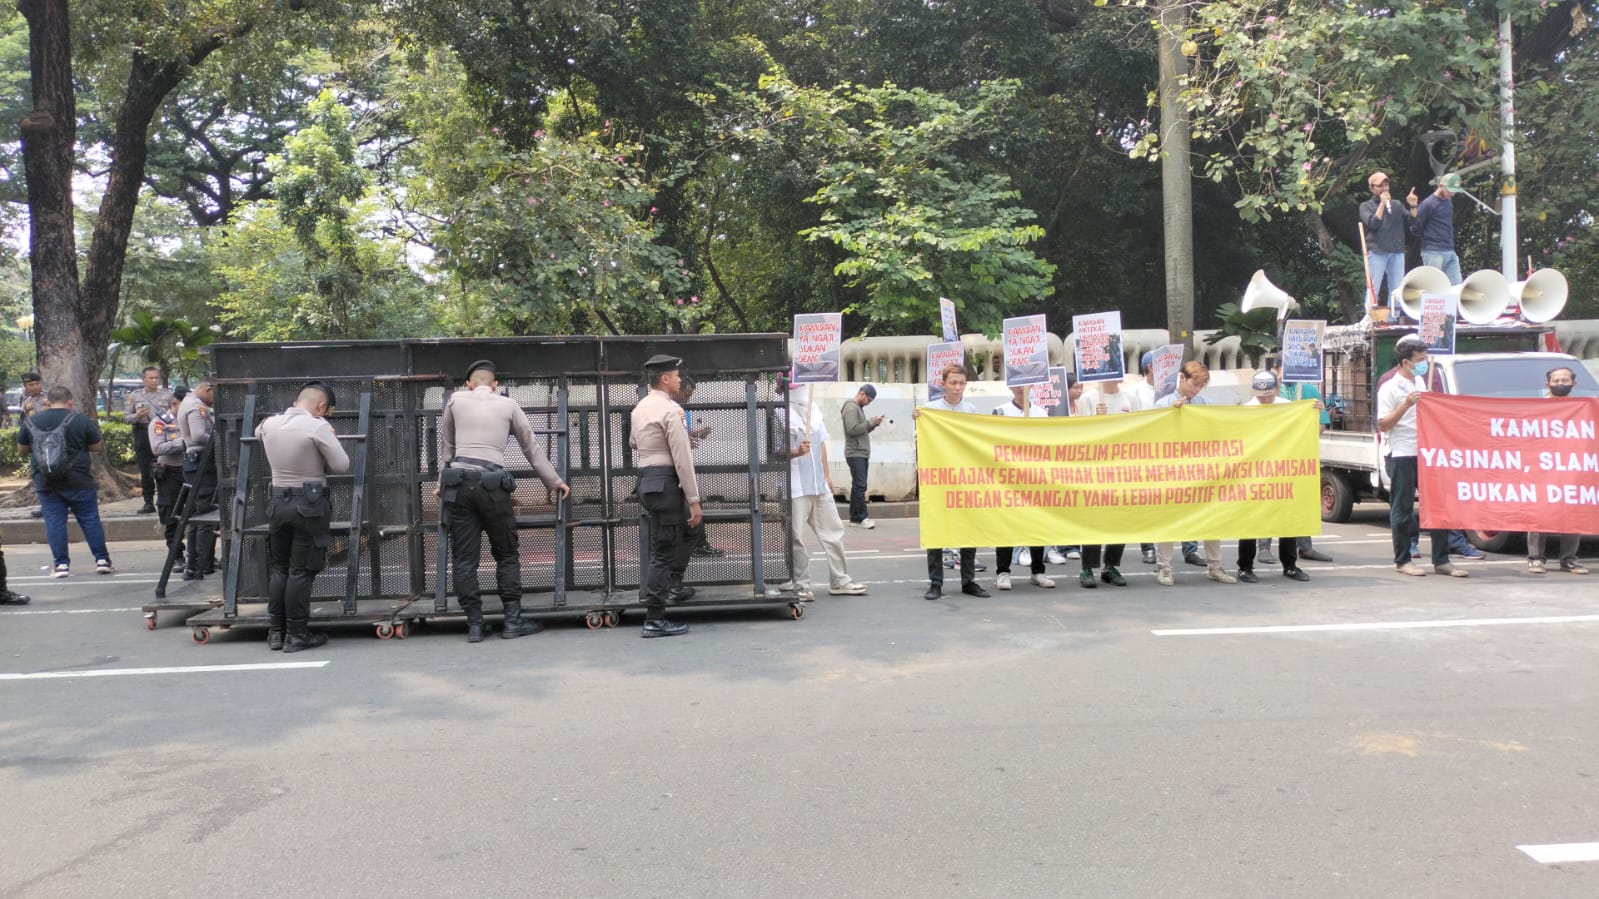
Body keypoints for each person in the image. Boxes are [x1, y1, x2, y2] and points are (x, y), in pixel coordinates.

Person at [441, 359, 570, 642]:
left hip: (458, 485)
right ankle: (512, 621)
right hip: (492, 485)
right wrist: (555, 482)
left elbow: (448, 448)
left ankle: (475, 625)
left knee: (464, 558)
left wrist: (442, 483)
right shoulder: (508, 405)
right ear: (495, 385)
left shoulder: (454, 402)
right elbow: (531, 448)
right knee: (506, 554)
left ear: (469, 385)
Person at [256, 381, 350, 652]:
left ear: (296, 401)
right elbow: (341, 465)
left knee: (280, 568)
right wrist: (327, 433)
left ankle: (276, 632)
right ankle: (297, 634)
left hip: (277, 502)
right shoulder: (317, 427)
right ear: (321, 406)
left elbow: (258, 432)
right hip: (309, 504)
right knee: (300, 570)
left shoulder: (269, 424)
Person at [1374, 339, 1483, 561]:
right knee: (1403, 508)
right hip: (1402, 453)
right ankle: (1403, 558)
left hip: (1427, 453)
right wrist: (1406, 404)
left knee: (1438, 505)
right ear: (1406, 362)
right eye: (1420, 360)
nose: (1424, 363)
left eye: (1425, 359)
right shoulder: (1389, 387)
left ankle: (1442, 559)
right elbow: (1383, 424)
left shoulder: (1420, 383)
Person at [631, 354, 701, 638]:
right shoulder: (672, 410)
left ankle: (670, 590)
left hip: (647, 481)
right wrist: (694, 499)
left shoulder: (640, 408)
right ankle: (654, 619)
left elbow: (633, 442)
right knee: (662, 552)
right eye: (676, 376)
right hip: (666, 483)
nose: (680, 380)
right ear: (665, 379)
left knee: (678, 537)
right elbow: (682, 458)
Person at [1151, 361, 1236, 587]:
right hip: (1172, 472)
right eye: (1194, 384)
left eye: (1200, 386)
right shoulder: (1163, 404)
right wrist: (1170, 414)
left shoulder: (1206, 405)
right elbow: (1153, 435)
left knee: (1211, 518)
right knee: (1169, 520)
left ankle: (1215, 566)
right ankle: (1164, 568)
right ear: (1182, 378)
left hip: (1201, 472)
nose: (1196, 389)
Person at [17, 386, 113, 578]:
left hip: (46, 480)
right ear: (70, 402)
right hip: (79, 480)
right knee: (89, 519)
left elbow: (22, 449)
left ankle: (61, 565)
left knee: (54, 521)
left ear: (47, 402)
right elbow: (96, 446)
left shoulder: (31, 421)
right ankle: (102, 560)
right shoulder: (80, 420)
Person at [783, 383, 868, 597]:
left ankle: (840, 580)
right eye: (797, 386)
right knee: (796, 537)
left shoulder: (814, 411)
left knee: (833, 533)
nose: (802, 390)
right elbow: (772, 451)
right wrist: (796, 452)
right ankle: (801, 585)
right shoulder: (779, 412)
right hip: (795, 486)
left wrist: (827, 476)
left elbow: (821, 445)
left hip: (818, 485)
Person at [913, 364, 990, 600]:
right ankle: (935, 583)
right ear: (943, 384)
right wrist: (919, 422)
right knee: (937, 528)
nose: (957, 387)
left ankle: (968, 580)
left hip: (965, 478)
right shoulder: (930, 410)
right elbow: (921, 441)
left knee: (969, 528)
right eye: (953, 383)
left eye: (961, 383)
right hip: (939, 479)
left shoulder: (970, 410)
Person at [1234, 371, 1311, 583]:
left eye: (1268, 394)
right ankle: (1245, 567)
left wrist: (1312, 411)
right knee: (1250, 521)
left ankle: (1290, 565)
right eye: (1261, 395)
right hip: (1254, 473)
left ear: (1276, 389)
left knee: (1287, 519)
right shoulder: (1246, 411)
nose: (1265, 399)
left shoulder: (1288, 407)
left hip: (1282, 471)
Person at [1260, 355, 1334, 565]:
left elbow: (1321, 424)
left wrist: (1302, 435)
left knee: (1301, 500)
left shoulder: (1309, 392)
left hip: (1300, 456)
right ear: (1277, 369)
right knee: (1270, 499)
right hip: (1272, 457)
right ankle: (1264, 547)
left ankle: (1305, 547)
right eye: (1286, 367)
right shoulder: (1269, 392)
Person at [1073, 380, 1138, 589]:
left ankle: (1111, 566)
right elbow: (1078, 434)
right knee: (1094, 518)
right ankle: (1087, 568)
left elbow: (1141, 428)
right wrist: (1096, 420)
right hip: (1095, 469)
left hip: (1122, 468)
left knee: (1119, 519)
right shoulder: (1088, 399)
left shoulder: (1130, 398)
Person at [1526, 366, 1590, 575]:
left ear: (1574, 384)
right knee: (1540, 513)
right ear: (1548, 384)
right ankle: (1536, 559)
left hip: (1573, 469)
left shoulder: (1583, 409)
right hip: (1541, 470)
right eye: (1556, 381)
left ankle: (1569, 560)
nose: (1560, 384)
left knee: (1573, 513)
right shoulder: (1536, 409)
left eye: (1565, 380)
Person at [990, 385, 1054, 591]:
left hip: (1035, 478)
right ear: (1010, 386)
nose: (1021, 388)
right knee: (1006, 526)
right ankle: (1003, 572)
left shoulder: (1041, 414)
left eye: (1025, 384)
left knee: (1036, 525)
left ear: (1032, 385)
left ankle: (1038, 571)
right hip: (1008, 479)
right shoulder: (1001, 412)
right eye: (1017, 383)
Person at [674, 374, 722, 558]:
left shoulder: (684, 411)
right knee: (690, 505)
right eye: (686, 395)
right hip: (674, 466)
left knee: (691, 503)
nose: (688, 399)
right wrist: (687, 439)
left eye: (690, 396)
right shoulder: (669, 410)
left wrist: (697, 434)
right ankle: (696, 544)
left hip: (683, 463)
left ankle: (697, 543)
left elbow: (686, 434)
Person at [176, 378, 219, 580]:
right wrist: (223, 439)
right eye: (214, 394)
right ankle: (202, 563)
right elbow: (199, 435)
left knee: (196, 515)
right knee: (205, 515)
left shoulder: (190, 403)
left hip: (195, 463)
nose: (214, 399)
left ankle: (194, 564)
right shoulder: (196, 406)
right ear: (207, 388)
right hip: (202, 463)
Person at [1359, 171, 1416, 311]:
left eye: (1386, 185)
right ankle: (1370, 317)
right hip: (1377, 251)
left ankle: (1394, 318)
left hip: (1397, 251)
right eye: (1380, 186)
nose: (1384, 189)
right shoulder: (1366, 206)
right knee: (1373, 287)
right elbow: (1373, 224)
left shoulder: (1397, 205)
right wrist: (1382, 204)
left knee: (1397, 288)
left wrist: (1413, 206)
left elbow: (1412, 222)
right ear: (1371, 188)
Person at [123, 366, 173, 515]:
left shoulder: (167, 394)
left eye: (156, 378)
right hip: (143, 433)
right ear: (143, 379)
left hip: (162, 433)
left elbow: (174, 414)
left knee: (165, 467)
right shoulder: (135, 396)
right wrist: (137, 416)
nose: (154, 381)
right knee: (146, 470)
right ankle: (148, 502)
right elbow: (126, 417)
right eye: (151, 378)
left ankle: (166, 501)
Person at [149, 389, 189, 563]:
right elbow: (157, 448)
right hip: (171, 473)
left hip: (191, 470)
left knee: (199, 512)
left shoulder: (190, 419)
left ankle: (201, 555)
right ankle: (176, 555)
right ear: (174, 404)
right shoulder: (160, 423)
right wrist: (184, 442)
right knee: (172, 516)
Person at [840, 384, 885, 529]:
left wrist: (873, 424)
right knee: (860, 486)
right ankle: (862, 518)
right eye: (869, 400)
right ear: (862, 394)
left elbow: (861, 431)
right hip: (855, 452)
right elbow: (852, 429)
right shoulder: (851, 407)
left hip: (860, 452)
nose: (869, 403)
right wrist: (869, 422)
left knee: (857, 486)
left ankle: (855, 518)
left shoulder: (858, 408)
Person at [1409, 173, 1462, 285]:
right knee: (1433, 286)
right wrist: (1413, 207)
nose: (1452, 194)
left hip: (1450, 249)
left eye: (1454, 191)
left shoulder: (1448, 202)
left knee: (1457, 286)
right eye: (1450, 190)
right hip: (1433, 251)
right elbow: (1415, 228)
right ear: (1441, 186)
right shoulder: (1428, 204)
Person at [19, 372, 46, 519]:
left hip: (52, 443)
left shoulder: (49, 398)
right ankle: (45, 506)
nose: (35, 386)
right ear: (25, 386)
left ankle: (68, 505)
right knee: (39, 476)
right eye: (31, 384)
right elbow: (25, 422)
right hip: (35, 444)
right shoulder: (25, 400)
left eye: (37, 383)